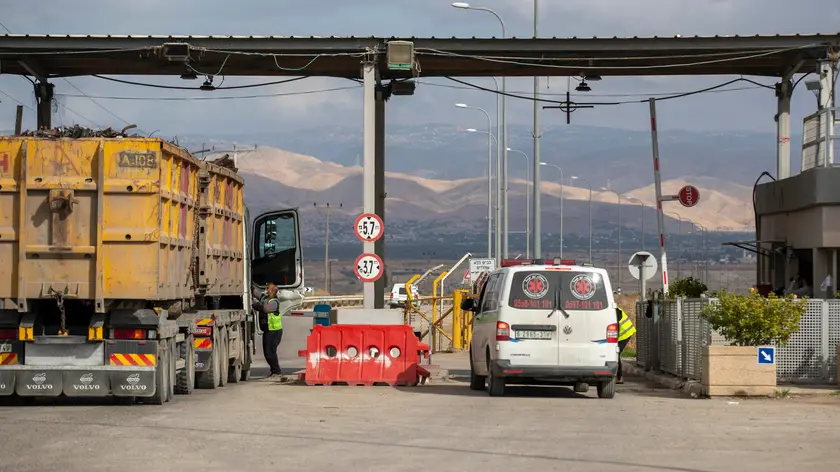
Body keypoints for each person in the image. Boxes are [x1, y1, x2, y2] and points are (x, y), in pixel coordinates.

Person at [252, 283, 284, 378]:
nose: (267, 290)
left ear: (273, 291)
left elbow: (266, 308)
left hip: (274, 331)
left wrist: (255, 305)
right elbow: (257, 293)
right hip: (268, 330)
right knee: (267, 352)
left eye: (268, 288)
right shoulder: (264, 298)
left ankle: (276, 371)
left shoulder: (274, 302)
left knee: (270, 352)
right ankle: (274, 371)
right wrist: (250, 285)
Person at [615, 307, 637, 385]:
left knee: (615, 353)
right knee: (615, 353)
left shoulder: (615, 311)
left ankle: (619, 377)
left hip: (625, 334)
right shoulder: (614, 309)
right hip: (623, 333)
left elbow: (616, 328)